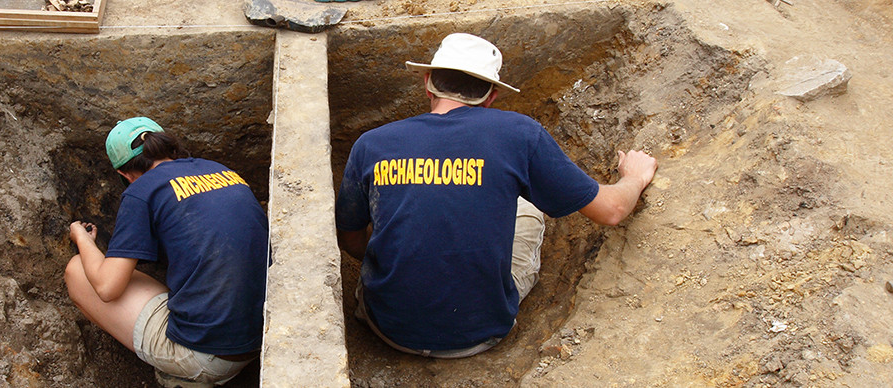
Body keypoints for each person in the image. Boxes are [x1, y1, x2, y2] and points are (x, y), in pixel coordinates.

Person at [334, 33, 657, 358]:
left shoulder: (372, 144)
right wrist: (634, 176)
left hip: (387, 327)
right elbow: (613, 209)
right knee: (527, 206)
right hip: (479, 334)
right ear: (492, 95)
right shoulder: (520, 134)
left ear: (428, 81)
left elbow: (349, 238)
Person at [64, 117, 269, 386]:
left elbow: (107, 287)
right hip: (265, 336)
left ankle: (180, 375)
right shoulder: (220, 170)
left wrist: (83, 240)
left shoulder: (140, 191)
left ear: (124, 174)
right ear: (167, 146)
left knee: (78, 270)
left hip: (208, 356)